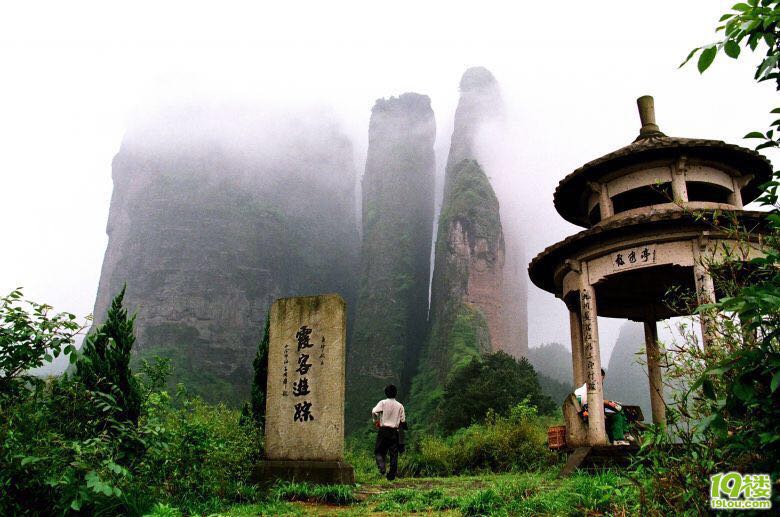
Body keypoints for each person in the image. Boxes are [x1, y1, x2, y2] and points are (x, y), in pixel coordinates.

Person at [574, 368, 630, 445]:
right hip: (587, 415)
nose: (601, 382)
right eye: (599, 379)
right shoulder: (580, 392)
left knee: (618, 410)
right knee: (616, 415)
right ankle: (620, 437)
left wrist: (606, 403)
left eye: (602, 380)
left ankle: (620, 437)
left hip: (597, 411)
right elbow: (584, 408)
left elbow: (596, 402)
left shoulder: (594, 388)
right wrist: (602, 407)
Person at [371, 384, 406, 481]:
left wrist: (376, 421)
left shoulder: (382, 403)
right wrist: (401, 439)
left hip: (383, 431)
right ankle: (391, 476)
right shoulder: (400, 406)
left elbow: (374, 412)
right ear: (396, 393)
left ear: (386, 393)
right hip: (394, 432)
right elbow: (402, 421)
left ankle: (382, 467)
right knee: (393, 454)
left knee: (378, 451)